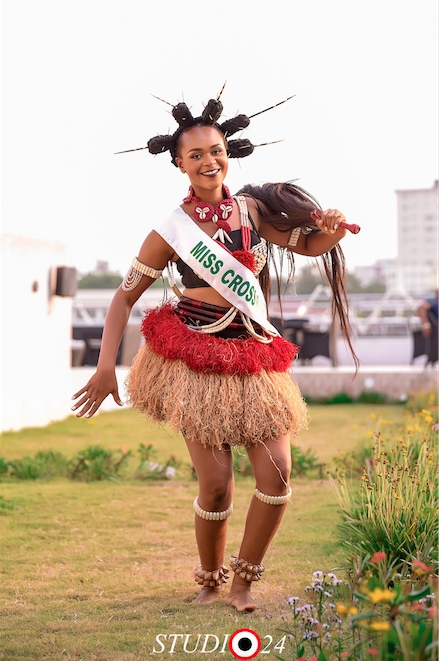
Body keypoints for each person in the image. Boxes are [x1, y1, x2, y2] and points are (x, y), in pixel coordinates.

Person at [71, 90, 355, 613]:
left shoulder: (253, 212)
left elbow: (309, 245)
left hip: (251, 356)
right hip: (194, 358)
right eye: (196, 154)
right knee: (219, 485)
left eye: (216, 150)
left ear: (231, 152)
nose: (209, 160)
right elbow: (123, 295)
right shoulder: (170, 230)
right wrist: (105, 365)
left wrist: (331, 232)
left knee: (277, 476)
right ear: (178, 163)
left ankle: (244, 582)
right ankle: (210, 581)